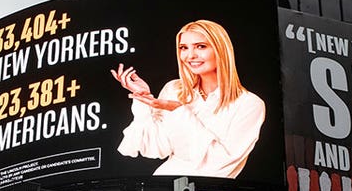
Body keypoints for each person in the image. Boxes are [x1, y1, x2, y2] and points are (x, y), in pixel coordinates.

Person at [111, 19, 265, 178]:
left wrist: (179, 111)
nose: (190, 55)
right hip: (162, 188)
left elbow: (218, 164)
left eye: (201, 46)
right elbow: (156, 148)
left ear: (221, 49)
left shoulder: (250, 104)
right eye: (184, 48)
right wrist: (143, 99)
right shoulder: (174, 89)